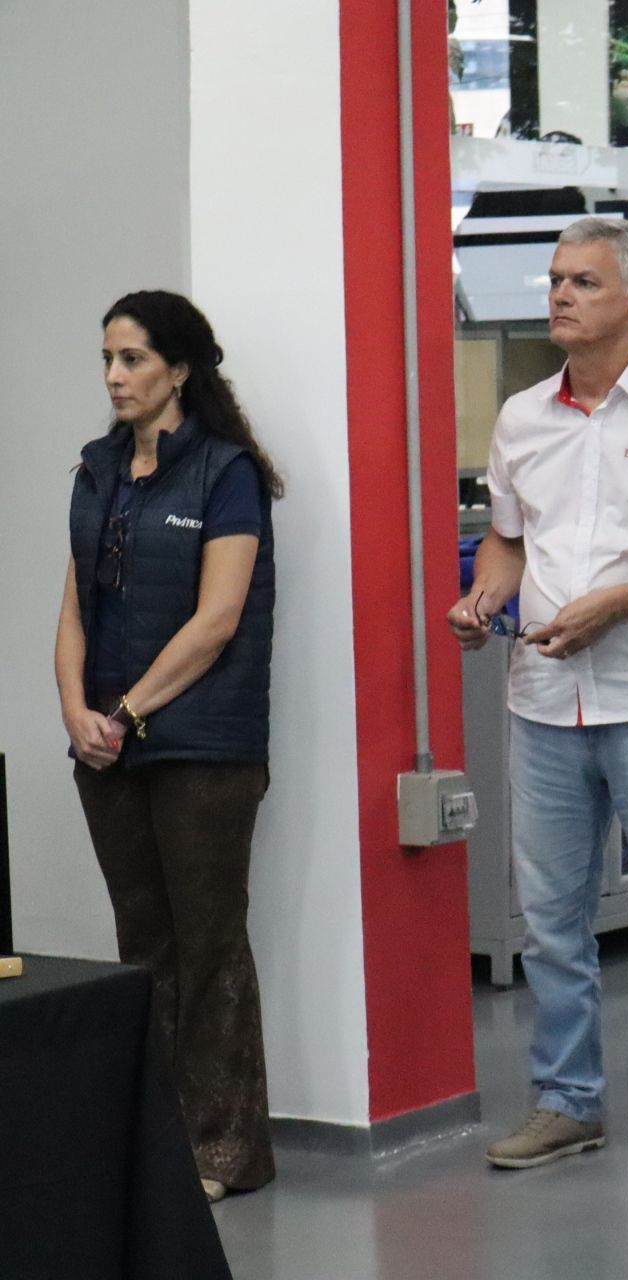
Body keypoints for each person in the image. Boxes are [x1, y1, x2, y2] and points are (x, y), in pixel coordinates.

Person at [447, 216, 628, 1180]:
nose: (560, 296)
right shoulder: (524, 416)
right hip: (541, 697)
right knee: (552, 918)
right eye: (556, 280)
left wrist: (614, 605)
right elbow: (508, 537)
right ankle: (566, 1100)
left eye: (584, 281)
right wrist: (487, 589)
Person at [57, 289, 284, 1202]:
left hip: (202, 747)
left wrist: (129, 712)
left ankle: (225, 1149)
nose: (115, 377)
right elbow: (76, 604)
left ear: (179, 369)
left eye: (134, 360)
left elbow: (217, 619)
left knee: (210, 943)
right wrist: (75, 706)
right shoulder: (96, 468)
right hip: (109, 745)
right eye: (108, 359)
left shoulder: (226, 473)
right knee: (142, 942)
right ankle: (156, 1141)